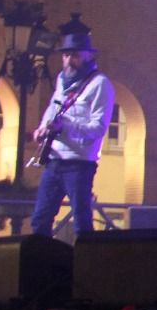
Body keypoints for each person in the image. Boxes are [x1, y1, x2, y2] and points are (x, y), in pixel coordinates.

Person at [30, 31, 115, 237]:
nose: (69, 60)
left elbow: (98, 128)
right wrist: (43, 128)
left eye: (75, 55)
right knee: (40, 218)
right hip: (54, 159)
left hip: (79, 163)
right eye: (66, 55)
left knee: (81, 221)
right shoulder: (61, 79)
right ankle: (41, 265)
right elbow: (53, 108)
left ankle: (84, 266)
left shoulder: (100, 84)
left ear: (88, 55)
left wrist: (66, 126)